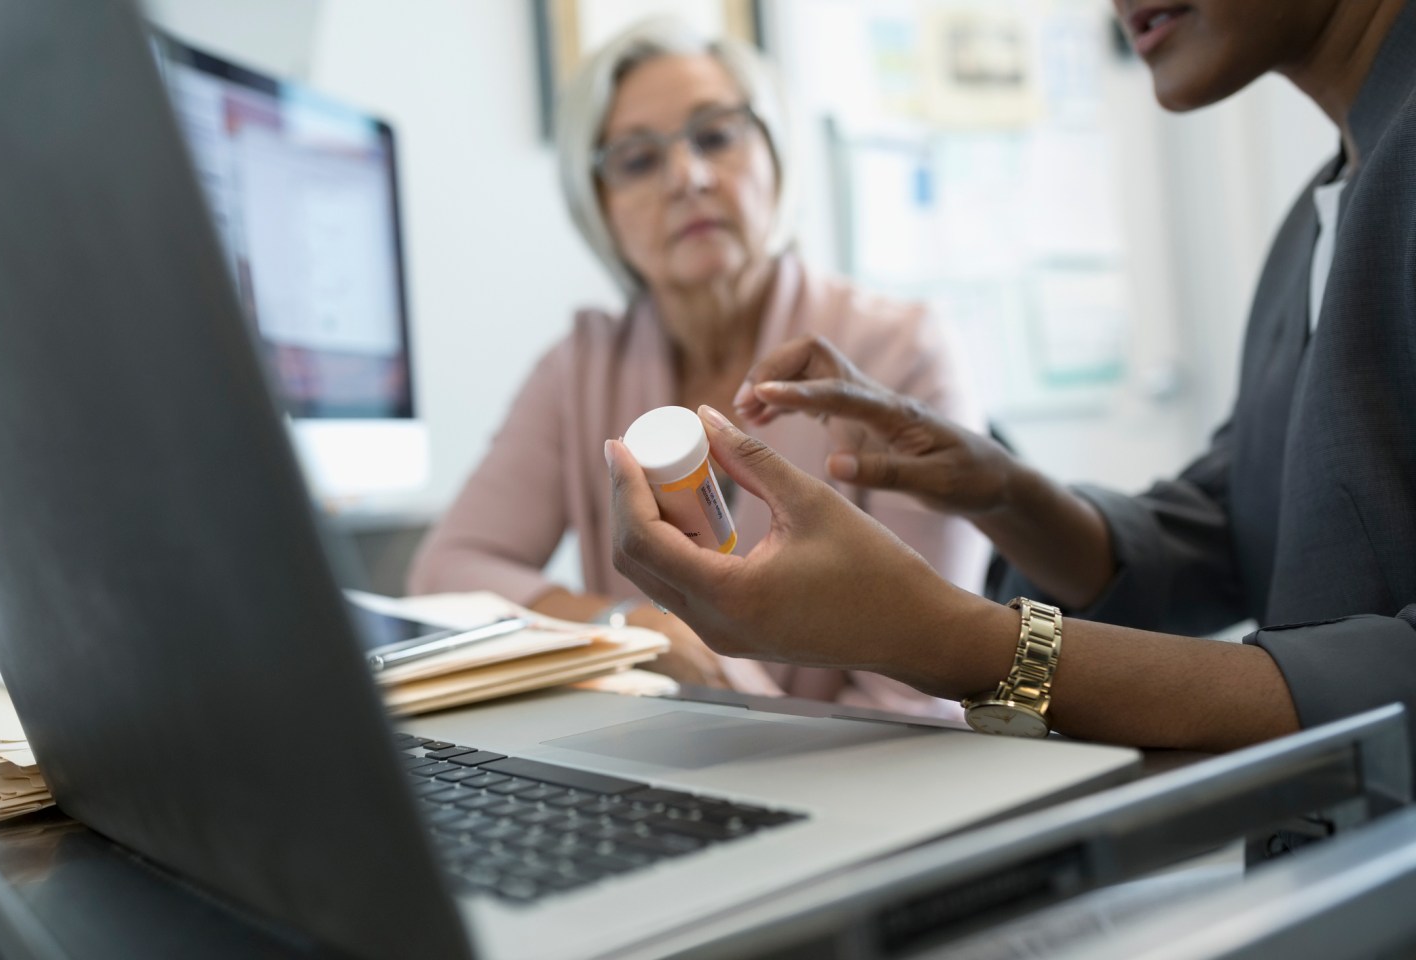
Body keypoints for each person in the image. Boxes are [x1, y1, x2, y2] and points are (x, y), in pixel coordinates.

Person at [608, 0, 1416, 755]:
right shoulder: (1325, 210)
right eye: (636, 160)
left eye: (715, 137)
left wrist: (942, 636)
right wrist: (1000, 489)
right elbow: (1240, 532)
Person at [407, 19, 989, 715]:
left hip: (869, 775)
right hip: (664, 768)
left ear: (775, 154)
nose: (688, 177)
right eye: (638, 161)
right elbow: (445, 574)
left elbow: (921, 693)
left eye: (715, 135)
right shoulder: (578, 369)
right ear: (600, 208)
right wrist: (632, 627)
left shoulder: (902, 350)